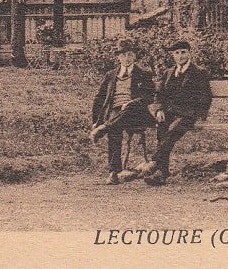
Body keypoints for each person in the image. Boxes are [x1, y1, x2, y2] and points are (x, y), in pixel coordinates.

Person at [144, 40, 213, 186]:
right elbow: (159, 94)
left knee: (173, 130)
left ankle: (155, 162)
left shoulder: (198, 72)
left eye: (183, 52)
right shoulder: (169, 72)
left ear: (189, 53)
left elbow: (205, 97)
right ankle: (162, 172)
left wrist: (200, 116)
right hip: (169, 112)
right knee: (162, 127)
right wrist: (159, 110)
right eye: (177, 53)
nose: (180, 56)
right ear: (173, 55)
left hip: (189, 113)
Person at [89, 40, 156, 185]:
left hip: (137, 114)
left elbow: (149, 97)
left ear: (135, 56)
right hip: (115, 113)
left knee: (127, 111)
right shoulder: (111, 75)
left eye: (130, 55)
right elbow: (99, 98)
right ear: (118, 57)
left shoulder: (144, 74)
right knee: (115, 127)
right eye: (124, 55)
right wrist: (96, 121)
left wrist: (131, 103)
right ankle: (115, 171)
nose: (127, 58)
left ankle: (104, 129)